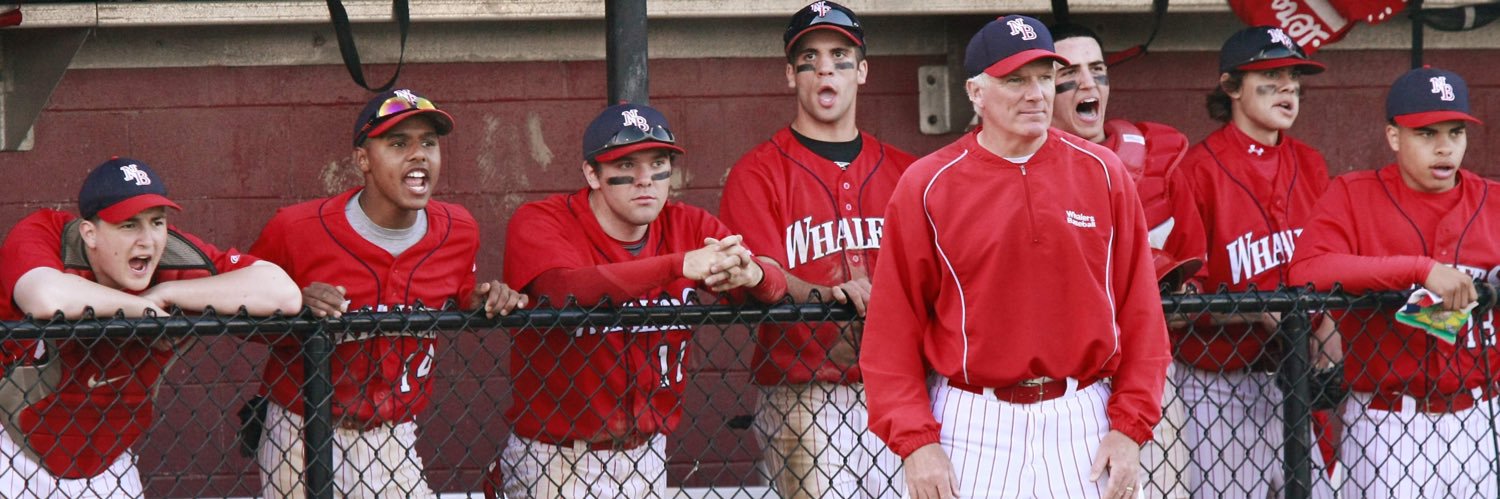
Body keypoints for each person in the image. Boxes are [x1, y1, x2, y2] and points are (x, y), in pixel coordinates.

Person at [861, 15, 1169, 499]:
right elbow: (891, 332)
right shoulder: (927, 184)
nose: (1036, 93)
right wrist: (916, 442)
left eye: (1046, 78)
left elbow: (1142, 315)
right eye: (1015, 80)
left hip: (1083, 416)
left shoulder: (1103, 172)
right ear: (975, 92)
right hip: (970, 423)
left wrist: (1130, 427)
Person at [248, 88, 527, 499]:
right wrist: (291, 303)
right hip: (299, 430)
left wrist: (480, 299)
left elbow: (460, 293)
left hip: (394, 435)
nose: (418, 155)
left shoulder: (458, 229)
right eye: (398, 144)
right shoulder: (296, 228)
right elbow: (244, 314)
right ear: (363, 160)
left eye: (428, 143)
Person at [500, 102, 788, 497]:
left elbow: (771, 288)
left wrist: (752, 273)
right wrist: (678, 265)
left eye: (657, 163)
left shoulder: (687, 224)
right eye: (626, 165)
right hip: (558, 458)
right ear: (592, 173)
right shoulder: (543, 219)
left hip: (647, 454)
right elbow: (563, 289)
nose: (645, 179)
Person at [0, 157, 301, 497]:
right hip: (14, 456)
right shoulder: (47, 233)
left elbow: (283, 293)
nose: (148, 240)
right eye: (128, 225)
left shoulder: (175, 253)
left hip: (108, 466)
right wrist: (141, 308)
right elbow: (44, 297)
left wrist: (168, 292)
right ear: (89, 232)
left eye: (157, 222)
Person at [718, 1, 916, 496]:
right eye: (809, 58)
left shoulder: (908, 173)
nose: (825, 67)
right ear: (791, 75)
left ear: (862, 72)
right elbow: (757, 278)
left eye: (840, 56)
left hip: (902, 385)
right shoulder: (757, 173)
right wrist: (829, 294)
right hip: (803, 393)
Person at [1290, 66, 1499, 498]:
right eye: (1427, 134)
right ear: (1393, 137)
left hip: (1484, 416)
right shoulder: (1353, 195)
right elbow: (1307, 269)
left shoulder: (1493, 200)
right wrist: (1418, 269)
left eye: (1455, 132)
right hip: (1390, 423)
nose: (1445, 148)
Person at [1160, 25, 1338, 497]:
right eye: (1270, 75)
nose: (1288, 87)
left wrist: (1325, 326)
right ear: (1231, 86)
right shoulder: (1196, 171)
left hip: (1297, 378)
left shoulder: (1312, 164)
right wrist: (1253, 308)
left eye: (1293, 75)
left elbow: (1326, 263)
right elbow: (1178, 304)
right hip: (1220, 386)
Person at [1047, 21, 1193, 499]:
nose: (1088, 85)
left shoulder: (1157, 157)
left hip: (1145, 377)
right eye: (1069, 73)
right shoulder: (1009, 169)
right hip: (1054, 385)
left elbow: (1197, 264)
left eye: (1098, 70)